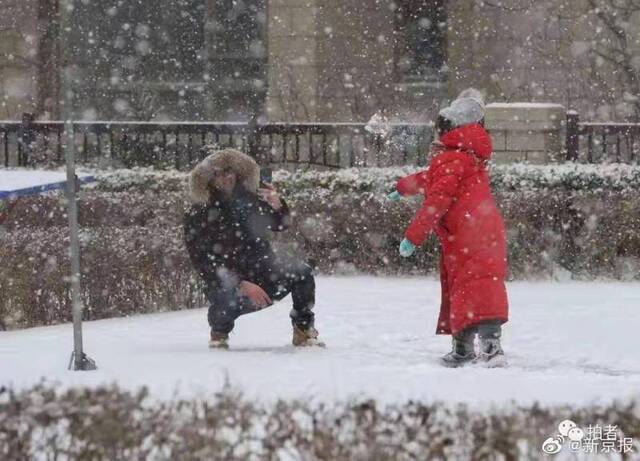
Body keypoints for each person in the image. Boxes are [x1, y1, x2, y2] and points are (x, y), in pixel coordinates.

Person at [388, 89, 509, 367]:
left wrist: (412, 237)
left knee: (467, 288)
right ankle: (478, 345)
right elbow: (431, 178)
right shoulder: (466, 155)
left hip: (465, 232)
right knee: (482, 285)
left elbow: (437, 200)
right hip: (483, 229)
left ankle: (474, 348)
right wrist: (402, 187)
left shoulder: (452, 157)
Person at [184, 147, 323, 349]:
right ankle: (219, 331)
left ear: (237, 173)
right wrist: (241, 283)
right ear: (209, 179)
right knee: (224, 301)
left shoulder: (251, 201)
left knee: (302, 272)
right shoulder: (199, 212)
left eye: (228, 171)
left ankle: (303, 330)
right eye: (217, 174)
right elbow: (202, 260)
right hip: (227, 284)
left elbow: (280, 224)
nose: (224, 178)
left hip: (264, 275)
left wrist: (277, 204)